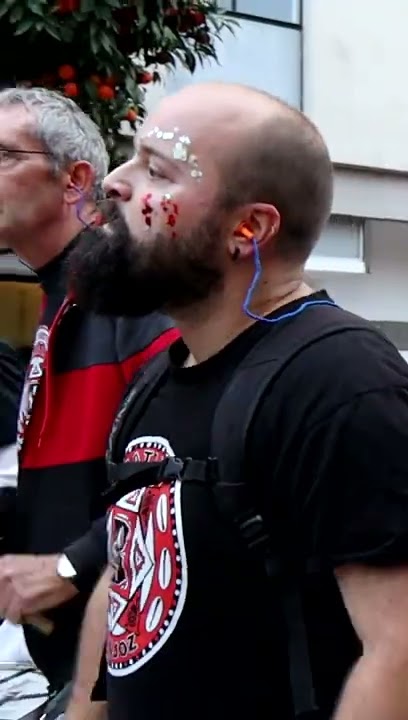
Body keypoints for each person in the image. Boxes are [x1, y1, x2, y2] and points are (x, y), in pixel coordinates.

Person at [64, 82, 408, 720]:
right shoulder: (162, 377)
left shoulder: (344, 386)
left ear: (248, 228)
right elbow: (126, 580)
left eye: (156, 169)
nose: (116, 182)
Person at [0, 87, 177, 712]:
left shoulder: (132, 293)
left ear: (76, 180)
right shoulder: (59, 297)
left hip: (130, 678)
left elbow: (179, 477)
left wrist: (71, 567)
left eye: (0, 155)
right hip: (73, 668)